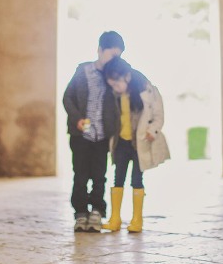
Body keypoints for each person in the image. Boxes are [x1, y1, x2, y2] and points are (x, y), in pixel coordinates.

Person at [62, 31, 124, 232]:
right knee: (80, 174)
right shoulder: (82, 71)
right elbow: (68, 98)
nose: (115, 60)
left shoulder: (114, 76)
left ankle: (97, 211)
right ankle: (80, 213)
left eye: (119, 56)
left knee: (99, 175)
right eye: (112, 55)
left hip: (102, 136)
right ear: (99, 50)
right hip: (81, 135)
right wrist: (77, 118)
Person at [101, 56, 170, 233]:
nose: (114, 88)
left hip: (140, 143)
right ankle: (114, 218)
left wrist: (152, 130)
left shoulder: (147, 90)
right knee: (118, 178)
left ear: (127, 77)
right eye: (112, 85)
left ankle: (137, 220)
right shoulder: (114, 96)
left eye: (117, 84)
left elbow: (158, 115)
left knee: (137, 179)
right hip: (121, 142)